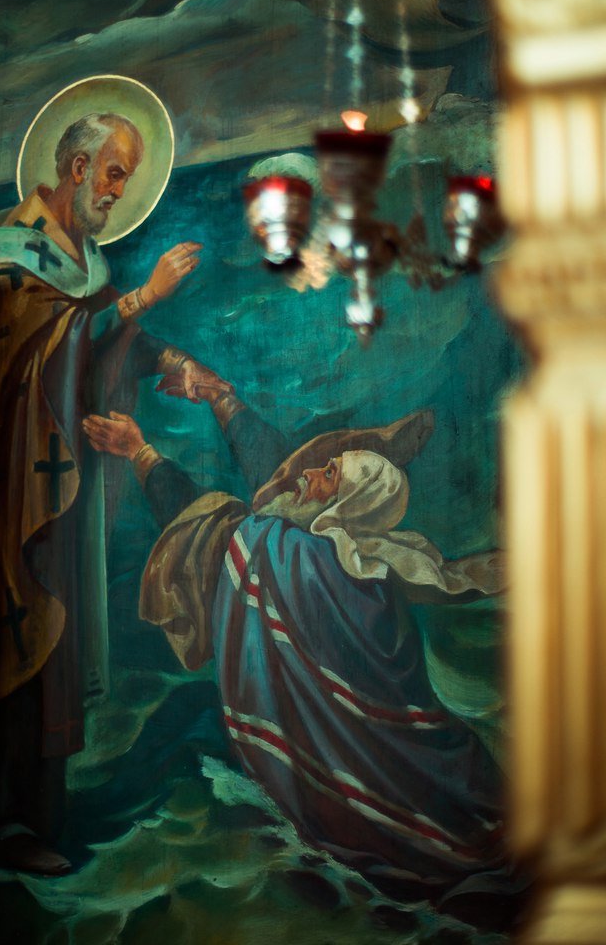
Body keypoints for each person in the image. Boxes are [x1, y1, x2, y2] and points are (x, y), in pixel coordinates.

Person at [83, 385, 525, 929]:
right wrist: (220, 397)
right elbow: (272, 482)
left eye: (329, 474)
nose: (310, 475)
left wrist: (140, 451)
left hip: (367, 756)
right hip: (411, 749)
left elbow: (212, 527)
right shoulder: (374, 568)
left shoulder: (296, 559)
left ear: (348, 501)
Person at [0, 111, 230, 874]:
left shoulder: (84, 258)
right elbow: (46, 346)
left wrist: (175, 364)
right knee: (19, 629)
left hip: (63, 483)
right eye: (114, 173)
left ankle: (40, 817)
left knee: (58, 637)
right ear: (78, 168)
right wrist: (146, 296)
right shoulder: (8, 249)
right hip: (13, 489)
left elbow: (106, 335)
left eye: (126, 178)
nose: (117, 191)